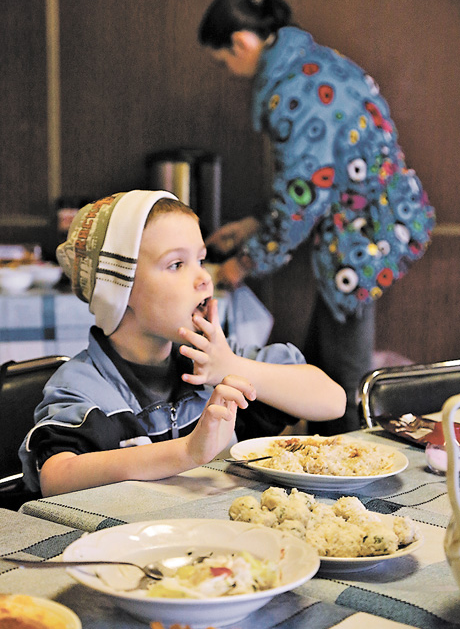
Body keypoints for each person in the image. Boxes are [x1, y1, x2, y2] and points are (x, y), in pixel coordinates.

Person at [198, 0, 435, 434]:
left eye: (223, 60)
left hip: (365, 235)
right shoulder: (314, 65)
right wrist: (252, 227)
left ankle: (348, 476)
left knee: (346, 380)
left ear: (241, 43)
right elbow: (319, 180)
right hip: (378, 220)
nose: (229, 72)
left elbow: (300, 200)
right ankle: (320, 453)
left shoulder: (295, 90)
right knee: (323, 359)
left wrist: (239, 265)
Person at [19, 190, 346, 496]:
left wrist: (232, 367)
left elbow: (332, 401)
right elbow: (55, 476)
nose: (204, 278)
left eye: (201, 260)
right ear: (117, 289)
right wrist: (189, 451)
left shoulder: (215, 358)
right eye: (176, 264)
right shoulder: (83, 386)